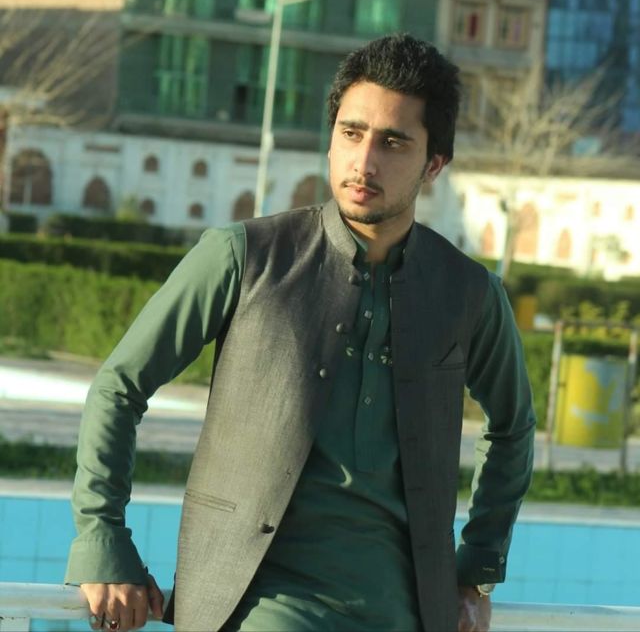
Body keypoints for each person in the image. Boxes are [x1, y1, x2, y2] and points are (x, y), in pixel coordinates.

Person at [66, 33, 535, 632]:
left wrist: (477, 566)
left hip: (407, 610)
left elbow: (512, 425)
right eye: (351, 133)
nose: (364, 162)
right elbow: (120, 385)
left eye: (393, 142)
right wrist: (103, 538)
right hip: (258, 604)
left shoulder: (467, 292)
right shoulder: (244, 257)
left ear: (434, 164)